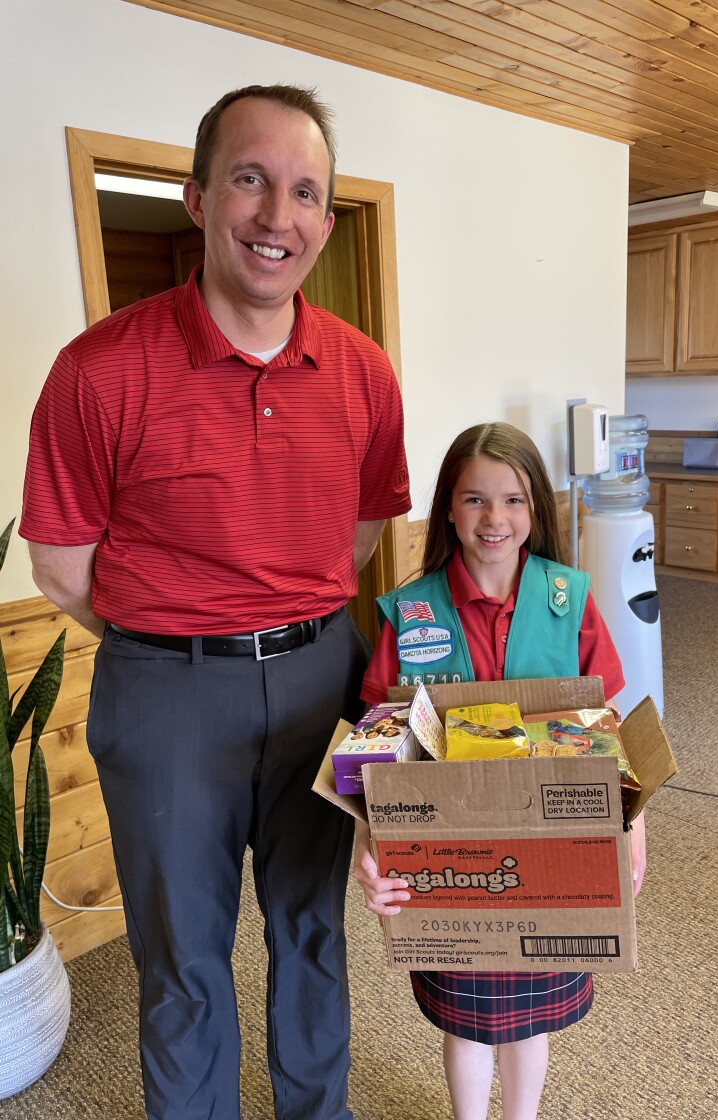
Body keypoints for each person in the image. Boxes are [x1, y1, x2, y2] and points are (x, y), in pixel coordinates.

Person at [20, 84, 410, 1120]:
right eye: (250, 179)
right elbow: (60, 564)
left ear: (328, 221)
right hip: (165, 695)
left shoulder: (367, 374)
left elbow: (360, 536)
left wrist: (286, 623)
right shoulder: (99, 371)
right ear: (195, 196)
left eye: (304, 193)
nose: (277, 217)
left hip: (322, 676)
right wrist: (176, 631)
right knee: (185, 959)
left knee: (313, 933)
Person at [353, 422, 646, 1120]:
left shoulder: (566, 599)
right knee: (466, 1016)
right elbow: (376, 741)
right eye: (475, 499)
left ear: (535, 509)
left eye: (513, 500)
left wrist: (634, 825)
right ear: (448, 508)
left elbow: (608, 725)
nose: (495, 518)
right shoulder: (412, 610)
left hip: (552, 852)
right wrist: (369, 844)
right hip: (455, 859)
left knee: (531, 1016)